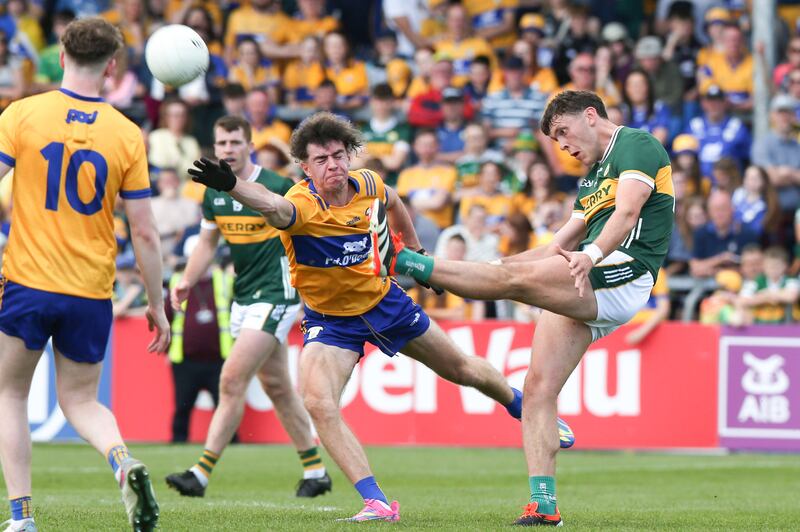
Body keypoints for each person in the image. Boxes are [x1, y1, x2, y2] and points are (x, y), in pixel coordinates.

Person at [186, 112, 567, 522]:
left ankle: (523, 406)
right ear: (305, 166)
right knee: (318, 402)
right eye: (321, 160)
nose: (332, 165)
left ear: (350, 155)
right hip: (330, 321)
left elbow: (395, 202)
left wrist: (418, 253)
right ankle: (377, 502)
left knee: (461, 369)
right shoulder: (301, 204)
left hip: (385, 303)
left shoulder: (368, 183)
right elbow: (273, 206)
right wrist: (231, 185)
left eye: (338, 156)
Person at [372, 90, 674, 526]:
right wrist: (491, 266)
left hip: (623, 271)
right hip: (582, 273)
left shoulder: (637, 145)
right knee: (536, 389)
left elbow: (627, 215)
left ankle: (402, 260)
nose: (563, 146)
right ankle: (544, 505)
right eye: (555, 139)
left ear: (591, 116)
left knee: (508, 284)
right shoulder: (591, 179)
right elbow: (555, 246)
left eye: (563, 132)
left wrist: (591, 256)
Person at [0, 17, 169, 532]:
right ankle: (121, 460)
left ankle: (21, 516)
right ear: (112, 66)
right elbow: (144, 231)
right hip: (91, 289)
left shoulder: (23, 114)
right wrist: (157, 305)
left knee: (8, 394)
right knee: (81, 400)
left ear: (61, 55)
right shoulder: (126, 133)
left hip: (28, 282)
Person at [165, 116, 331, 499]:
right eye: (221, 143)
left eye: (234, 143)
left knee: (231, 379)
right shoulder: (213, 192)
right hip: (245, 295)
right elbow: (207, 244)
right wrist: (187, 280)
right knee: (277, 387)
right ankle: (315, 471)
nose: (227, 150)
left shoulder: (277, 187)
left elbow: (307, 234)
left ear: (249, 145)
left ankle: (200, 473)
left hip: (278, 294)